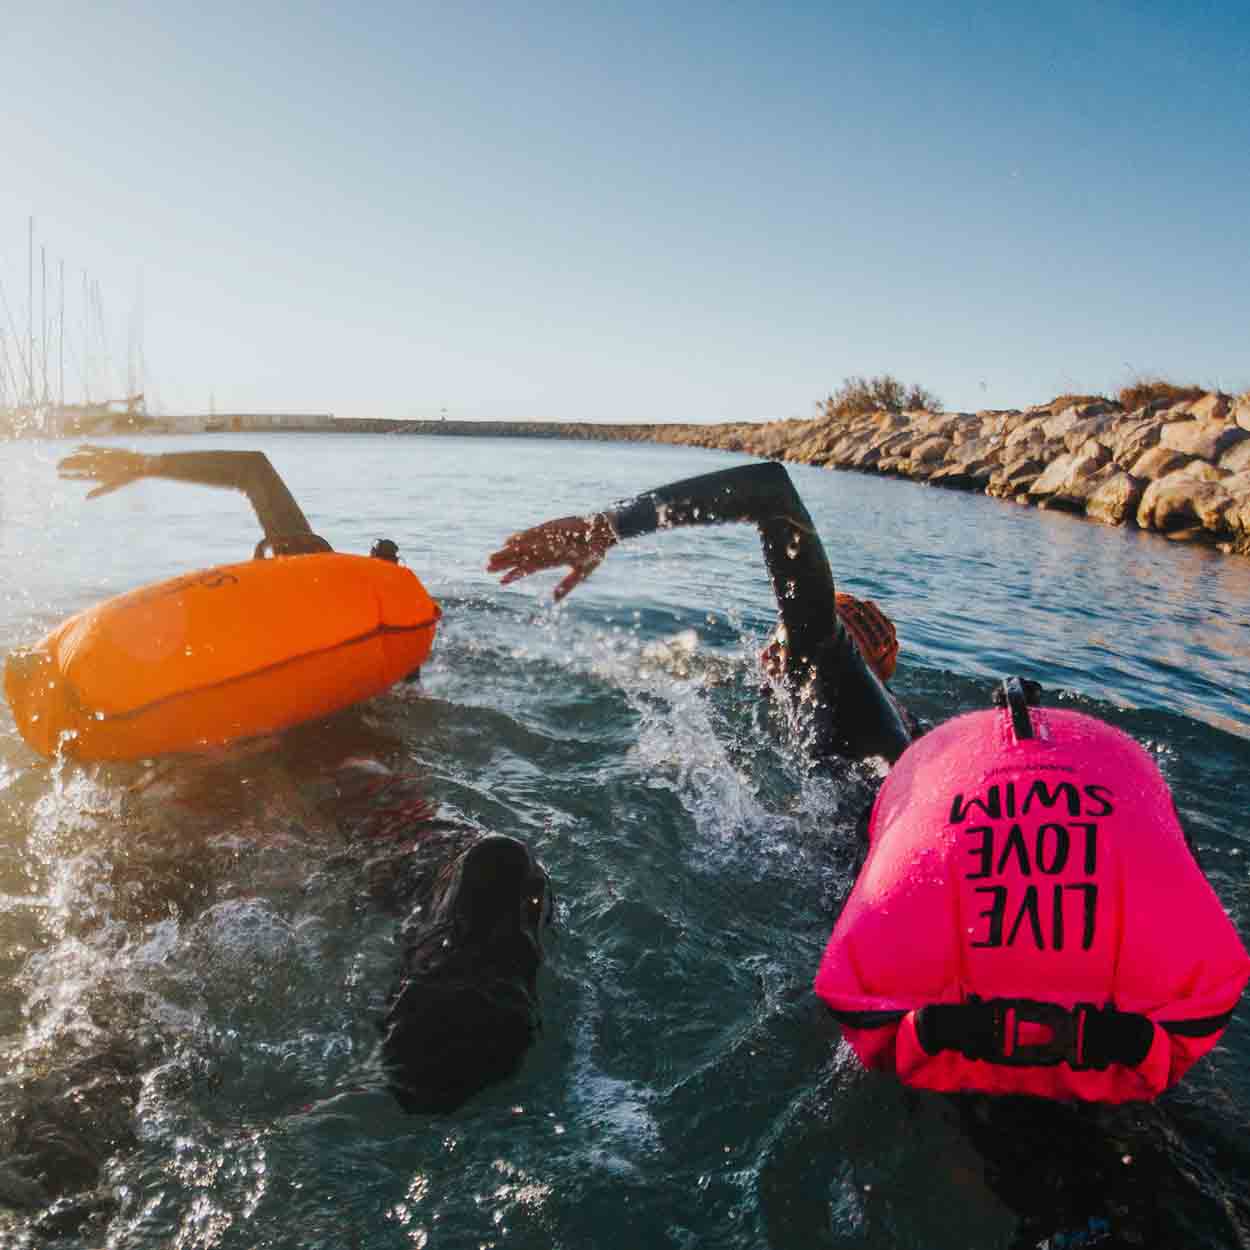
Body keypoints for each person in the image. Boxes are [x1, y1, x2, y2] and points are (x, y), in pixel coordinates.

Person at [490, 459, 1249, 1101]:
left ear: (825, 649)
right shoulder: (917, 739)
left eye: (783, 641)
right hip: (1020, 937)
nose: (770, 658)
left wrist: (607, 527)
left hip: (908, 940)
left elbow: (772, 490)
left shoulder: (824, 674)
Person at [53, 444, 553, 1115]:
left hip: (271, 800)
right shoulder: (322, 606)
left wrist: (143, 465)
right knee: (498, 864)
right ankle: (90, 1085)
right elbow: (254, 469)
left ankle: (87, 1089)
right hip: (319, 794)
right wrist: (142, 466)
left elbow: (252, 469)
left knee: (493, 866)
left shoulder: (326, 620)